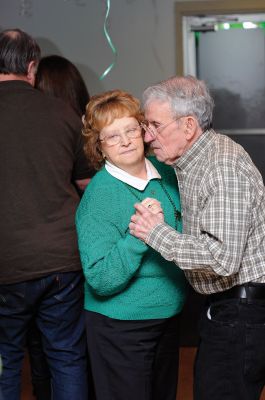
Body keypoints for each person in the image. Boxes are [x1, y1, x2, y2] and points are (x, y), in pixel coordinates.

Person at [129, 75, 265, 400]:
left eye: (155, 125)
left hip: (241, 313)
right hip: (228, 310)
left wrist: (155, 233)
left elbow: (221, 258)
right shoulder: (194, 160)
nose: (148, 136)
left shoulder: (221, 166)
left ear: (188, 126)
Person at [75, 89, 188, 400]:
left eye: (130, 130)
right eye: (112, 137)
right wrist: (140, 236)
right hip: (120, 326)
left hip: (168, 316)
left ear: (143, 130)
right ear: (99, 147)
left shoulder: (166, 173)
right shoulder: (99, 196)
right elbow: (99, 278)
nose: (125, 141)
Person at [0, 28, 93, 400]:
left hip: (6, 263)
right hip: (61, 261)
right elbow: (87, 184)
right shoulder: (64, 113)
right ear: (32, 66)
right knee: (67, 356)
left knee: (5, 359)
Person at [23, 54, 92, 400]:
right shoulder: (87, 133)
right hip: (74, 256)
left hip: (33, 256)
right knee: (71, 352)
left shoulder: (32, 132)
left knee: (40, 353)